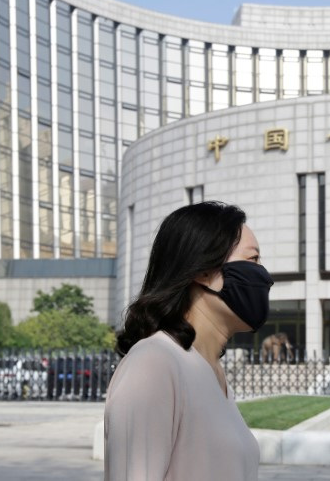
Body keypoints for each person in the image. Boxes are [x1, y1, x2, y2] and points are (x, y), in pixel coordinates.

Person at [104, 201, 273, 480]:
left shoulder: (211, 373)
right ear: (203, 271)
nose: (264, 276)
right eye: (253, 260)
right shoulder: (154, 363)